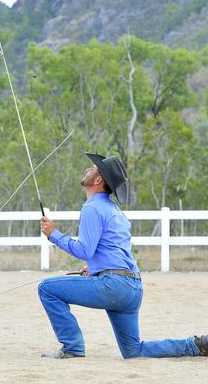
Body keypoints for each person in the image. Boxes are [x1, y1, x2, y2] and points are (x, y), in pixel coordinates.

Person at [38, 152, 207, 359]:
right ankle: (196, 345)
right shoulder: (115, 211)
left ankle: (72, 347)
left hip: (114, 286)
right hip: (133, 288)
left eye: (92, 168)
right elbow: (114, 248)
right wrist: (95, 268)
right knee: (133, 351)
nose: (87, 169)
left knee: (47, 289)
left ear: (98, 179)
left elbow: (84, 250)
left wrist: (53, 234)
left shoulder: (91, 207)